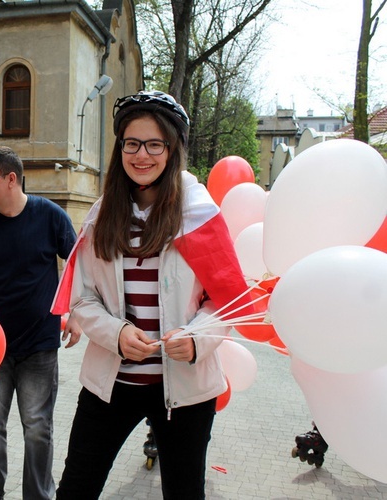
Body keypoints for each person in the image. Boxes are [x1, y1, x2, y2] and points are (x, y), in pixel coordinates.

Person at [53, 91, 252, 499]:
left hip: (184, 390)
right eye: (131, 143)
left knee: (183, 492)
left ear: (172, 148)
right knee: (76, 488)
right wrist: (116, 333)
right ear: (120, 148)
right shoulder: (102, 214)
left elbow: (225, 300)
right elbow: (83, 298)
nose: (141, 155)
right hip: (110, 382)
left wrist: (197, 339)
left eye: (154, 144)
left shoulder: (199, 214)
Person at [0, 146, 80, 500]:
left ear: (11, 179)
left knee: (38, 428)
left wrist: (77, 312)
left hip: (39, 345)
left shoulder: (50, 216)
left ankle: (38, 496)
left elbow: (79, 267)